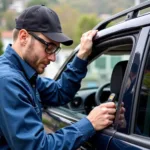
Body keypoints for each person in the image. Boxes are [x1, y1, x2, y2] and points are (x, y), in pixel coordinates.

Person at [0, 5, 117, 150]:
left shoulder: (23, 75)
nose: (53, 57)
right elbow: (37, 147)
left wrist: (81, 56)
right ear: (24, 37)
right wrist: (90, 123)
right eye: (49, 47)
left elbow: (59, 92)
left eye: (55, 49)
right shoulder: (8, 81)